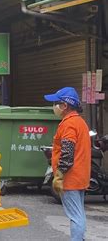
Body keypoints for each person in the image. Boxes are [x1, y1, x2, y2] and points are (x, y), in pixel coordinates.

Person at [44, 87, 91, 241]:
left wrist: (59, 176)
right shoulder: (80, 122)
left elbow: (67, 153)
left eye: (56, 103)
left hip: (70, 178)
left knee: (75, 216)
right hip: (80, 177)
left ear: (65, 106)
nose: (54, 106)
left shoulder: (69, 124)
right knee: (79, 214)